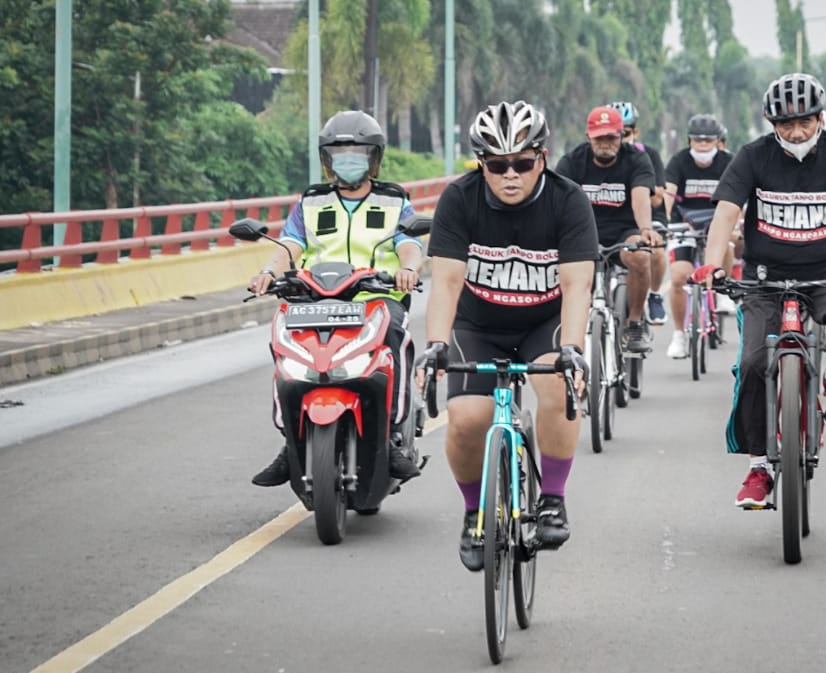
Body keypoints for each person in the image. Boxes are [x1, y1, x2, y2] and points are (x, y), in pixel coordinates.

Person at [691, 73, 826, 508]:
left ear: (820, 117)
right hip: (766, 278)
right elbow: (726, 213)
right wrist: (710, 262)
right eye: (785, 124)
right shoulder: (752, 157)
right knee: (753, 364)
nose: (796, 132)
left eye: (804, 121)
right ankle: (759, 466)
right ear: (771, 123)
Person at [418, 101, 596, 571]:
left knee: (558, 386)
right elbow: (448, 282)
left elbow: (578, 285)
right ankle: (475, 511)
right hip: (478, 325)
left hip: (545, 322)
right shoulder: (459, 198)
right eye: (497, 165)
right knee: (465, 419)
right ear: (482, 164)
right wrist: (436, 344)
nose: (510, 174)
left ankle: (553, 497)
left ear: (542, 157)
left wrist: (572, 350)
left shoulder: (568, 199)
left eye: (522, 162)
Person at [249, 110, 424, 487]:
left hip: (375, 300)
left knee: (396, 336)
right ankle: (290, 440)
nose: (349, 159)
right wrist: (268, 272)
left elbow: (409, 244)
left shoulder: (394, 201)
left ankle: (392, 433)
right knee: (282, 342)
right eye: (340, 152)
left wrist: (408, 269)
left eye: (358, 152)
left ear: (374, 157)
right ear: (327, 159)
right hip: (315, 301)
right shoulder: (311, 203)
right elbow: (290, 246)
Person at [555, 106, 665, 353]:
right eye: (599, 138)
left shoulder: (637, 159)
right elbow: (559, 202)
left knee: (640, 256)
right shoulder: (572, 162)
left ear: (622, 136)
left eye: (612, 137)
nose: (606, 143)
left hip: (623, 232)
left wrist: (646, 228)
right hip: (584, 235)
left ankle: (635, 322)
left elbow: (640, 197)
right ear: (588, 137)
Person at [662, 113, 734, 359]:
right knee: (679, 276)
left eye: (708, 141)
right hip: (685, 223)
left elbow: (739, 196)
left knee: (728, 244)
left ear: (717, 141)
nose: (703, 146)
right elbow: (669, 194)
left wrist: (738, 223)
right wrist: (665, 220)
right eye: (698, 141)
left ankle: (722, 292)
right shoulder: (679, 161)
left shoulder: (728, 162)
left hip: (717, 220)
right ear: (689, 141)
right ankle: (680, 334)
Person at [611, 100, 669, 327]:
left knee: (652, 248)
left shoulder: (647, 156)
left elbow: (656, 197)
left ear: (635, 132)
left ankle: (654, 294)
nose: (618, 139)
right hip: (615, 217)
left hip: (649, 214)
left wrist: (636, 191)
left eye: (624, 133)